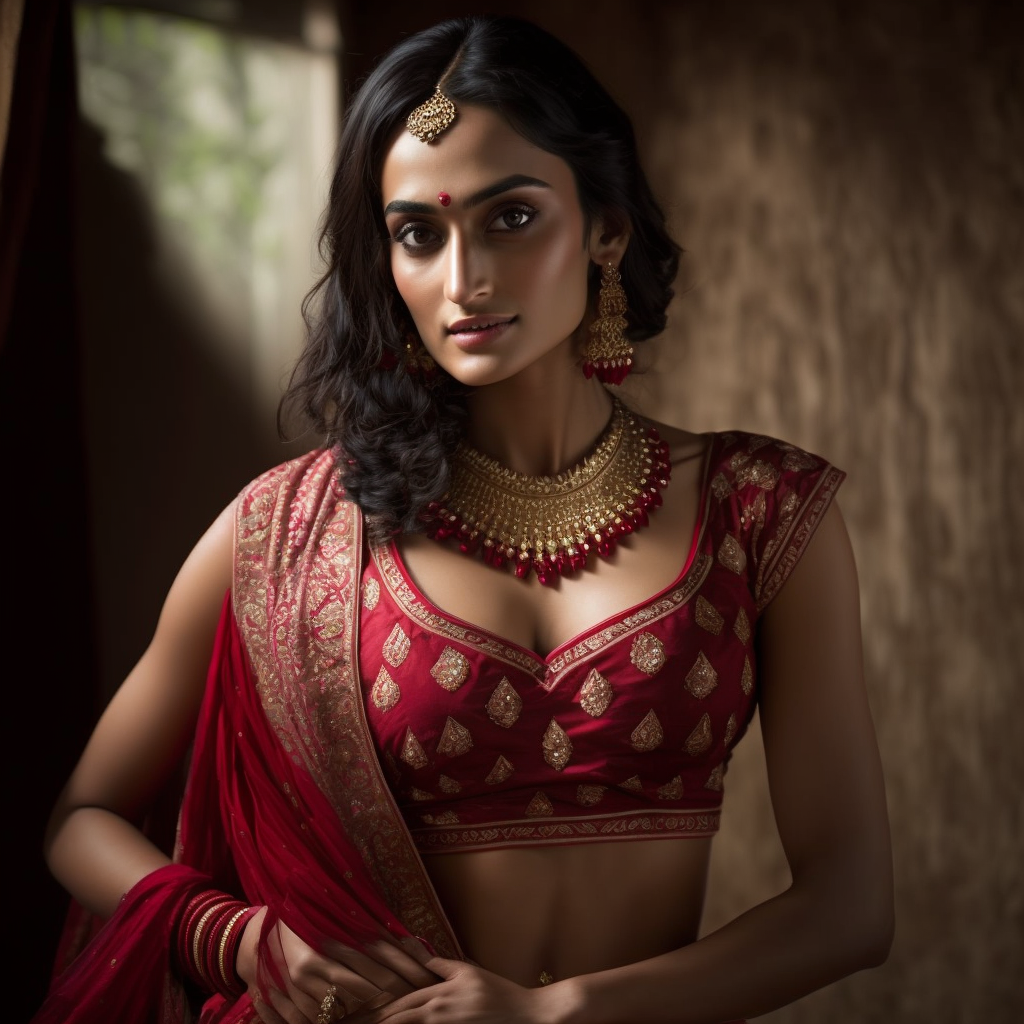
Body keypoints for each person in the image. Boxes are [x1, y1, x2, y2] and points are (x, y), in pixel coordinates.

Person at [33, 14, 893, 1024]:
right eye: (417, 234)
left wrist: (554, 1013)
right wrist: (242, 939)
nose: (463, 281)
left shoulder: (757, 512)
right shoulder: (291, 532)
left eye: (510, 219)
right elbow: (79, 817)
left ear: (606, 227)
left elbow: (848, 906)